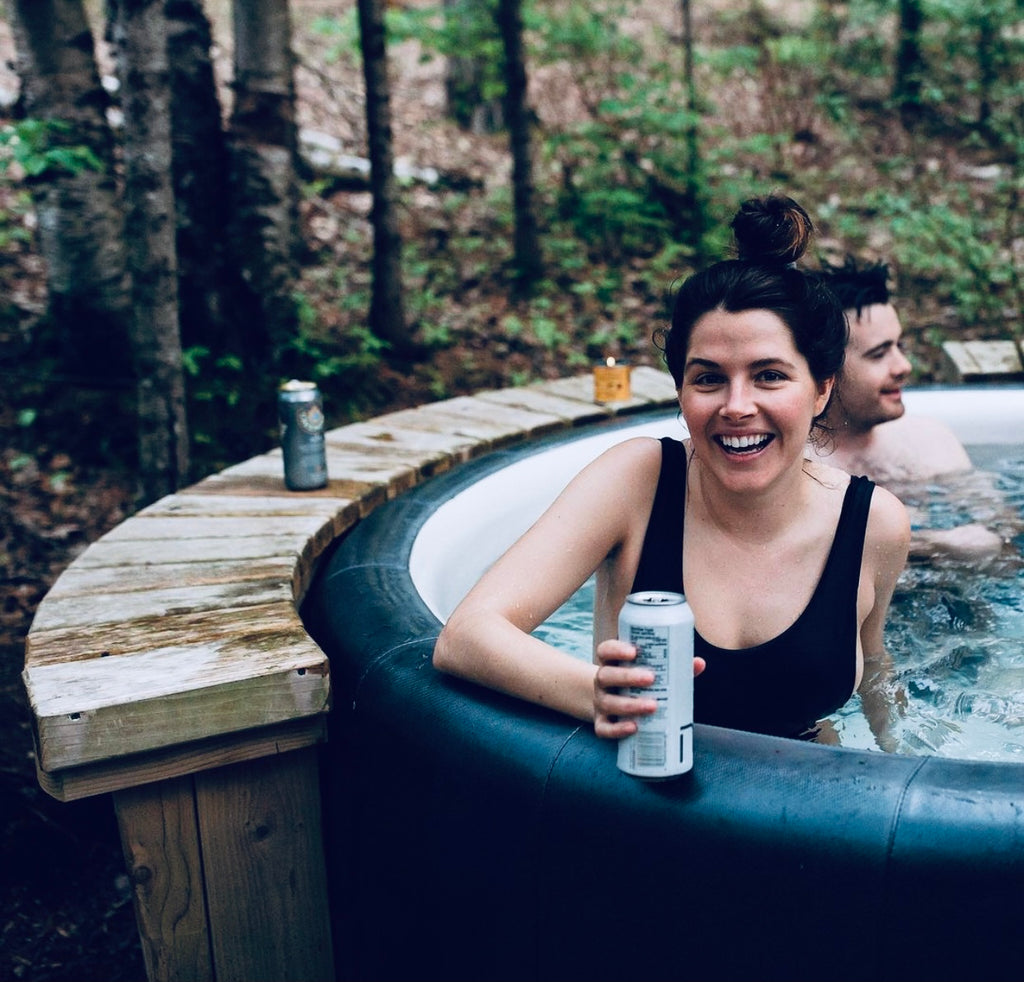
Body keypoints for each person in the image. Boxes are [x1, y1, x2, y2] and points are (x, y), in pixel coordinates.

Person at [433, 195, 910, 748]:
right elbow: (466, 636)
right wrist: (594, 693)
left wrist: (900, 762)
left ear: (822, 387)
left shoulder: (875, 522)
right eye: (707, 378)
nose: (736, 405)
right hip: (648, 800)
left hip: (806, 808)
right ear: (681, 389)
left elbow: (874, 664)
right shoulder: (638, 482)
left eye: (770, 376)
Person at [810, 257, 1004, 562]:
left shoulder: (930, 440)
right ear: (825, 371)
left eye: (900, 347)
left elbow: (1003, 536)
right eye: (879, 354)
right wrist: (933, 544)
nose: (904, 367)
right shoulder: (796, 468)